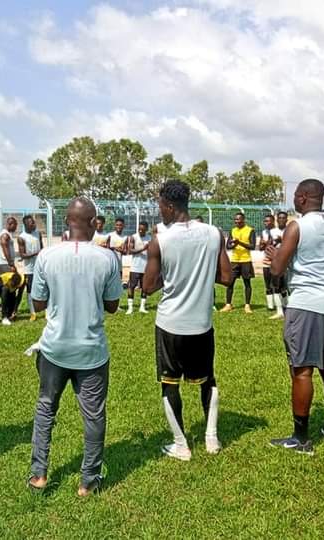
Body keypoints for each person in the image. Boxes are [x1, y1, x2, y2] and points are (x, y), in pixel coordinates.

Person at [28, 197, 122, 497]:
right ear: (94, 223)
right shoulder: (108, 258)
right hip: (91, 350)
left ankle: (39, 474)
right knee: (94, 416)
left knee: (46, 407)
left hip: (54, 347)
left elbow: (38, 302)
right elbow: (112, 306)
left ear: (67, 221)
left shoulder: (47, 256)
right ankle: (88, 481)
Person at [143, 180, 232, 461]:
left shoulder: (161, 240)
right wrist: (202, 275)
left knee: (169, 383)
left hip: (171, 324)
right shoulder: (213, 233)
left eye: (159, 206)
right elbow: (227, 277)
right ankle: (212, 439)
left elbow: (147, 286)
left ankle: (181, 445)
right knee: (209, 379)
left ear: (169, 206)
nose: (159, 212)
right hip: (202, 323)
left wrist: (171, 278)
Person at [266, 179, 324, 455]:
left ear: (302, 198)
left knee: (302, 370)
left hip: (308, 303)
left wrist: (274, 254)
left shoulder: (298, 226)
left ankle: (300, 438)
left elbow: (277, 269)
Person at [221, 212, 255, 314]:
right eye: (235, 220)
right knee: (230, 283)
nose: (237, 221)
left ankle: (247, 305)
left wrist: (239, 242)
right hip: (234, 260)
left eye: (239, 219)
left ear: (243, 219)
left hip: (246, 260)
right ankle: (228, 304)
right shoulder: (233, 230)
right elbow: (228, 246)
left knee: (247, 283)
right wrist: (234, 245)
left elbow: (252, 246)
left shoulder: (250, 230)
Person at [18, 215, 44, 321]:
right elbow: (22, 255)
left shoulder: (38, 234)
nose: (34, 224)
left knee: (44, 288)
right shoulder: (21, 237)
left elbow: (42, 248)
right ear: (25, 224)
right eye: (31, 223)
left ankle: (46, 311)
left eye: (34, 222)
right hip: (29, 269)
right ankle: (33, 313)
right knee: (30, 291)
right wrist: (36, 253)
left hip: (40, 267)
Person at [126, 221, 151, 314]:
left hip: (146, 267)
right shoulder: (134, 237)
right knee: (131, 286)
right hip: (135, 267)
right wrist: (143, 249)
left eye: (143, 230)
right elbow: (130, 250)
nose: (140, 231)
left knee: (145, 287)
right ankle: (130, 308)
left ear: (146, 230)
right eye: (139, 229)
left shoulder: (149, 238)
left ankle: (142, 307)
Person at [268, 211, 289, 320]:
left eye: (283, 218)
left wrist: (283, 240)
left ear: (287, 219)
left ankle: (288, 308)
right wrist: (274, 242)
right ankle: (279, 310)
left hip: (287, 262)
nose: (281, 220)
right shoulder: (272, 231)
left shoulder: (290, 231)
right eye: (279, 218)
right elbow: (269, 245)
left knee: (286, 287)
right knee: (275, 286)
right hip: (276, 261)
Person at [259, 214, 276, 312]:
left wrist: (268, 243)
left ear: (273, 221)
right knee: (267, 284)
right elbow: (261, 248)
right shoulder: (263, 232)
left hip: (276, 261)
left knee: (277, 284)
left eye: (268, 221)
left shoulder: (277, 232)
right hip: (266, 260)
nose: (266, 223)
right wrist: (263, 244)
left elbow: (276, 244)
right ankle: (270, 305)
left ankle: (282, 304)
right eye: (265, 221)